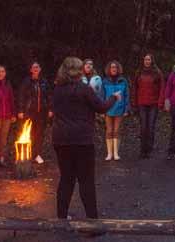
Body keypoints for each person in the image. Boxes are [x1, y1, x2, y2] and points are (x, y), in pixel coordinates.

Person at [52, 56, 120, 219]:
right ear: (77, 71)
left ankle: (61, 218)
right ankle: (92, 219)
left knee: (66, 179)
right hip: (82, 140)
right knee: (86, 180)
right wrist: (114, 97)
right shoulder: (84, 89)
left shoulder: (57, 90)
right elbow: (101, 107)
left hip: (61, 140)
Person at [17, 61, 53, 164]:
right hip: (29, 112)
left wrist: (50, 109)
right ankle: (28, 154)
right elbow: (21, 96)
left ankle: (37, 155)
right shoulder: (26, 82)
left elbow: (49, 96)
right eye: (34, 67)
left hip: (41, 112)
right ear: (31, 70)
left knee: (39, 134)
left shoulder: (44, 82)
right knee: (29, 133)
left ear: (40, 69)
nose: (36, 69)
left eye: (37, 67)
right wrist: (20, 110)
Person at [132, 54, 165, 159]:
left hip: (153, 104)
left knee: (150, 127)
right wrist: (134, 102)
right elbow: (135, 88)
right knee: (143, 127)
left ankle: (149, 149)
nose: (147, 61)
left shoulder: (157, 73)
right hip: (141, 103)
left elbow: (162, 88)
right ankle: (143, 149)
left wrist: (160, 102)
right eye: (145, 59)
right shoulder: (139, 72)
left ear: (152, 61)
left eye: (148, 59)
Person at [102, 61, 130, 161]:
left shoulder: (123, 81)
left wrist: (126, 109)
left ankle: (116, 153)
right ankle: (109, 153)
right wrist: (102, 109)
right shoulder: (104, 81)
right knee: (109, 131)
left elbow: (127, 96)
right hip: (108, 109)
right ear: (109, 69)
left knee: (116, 130)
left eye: (115, 67)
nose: (114, 69)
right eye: (112, 67)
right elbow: (102, 96)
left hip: (119, 109)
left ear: (118, 69)